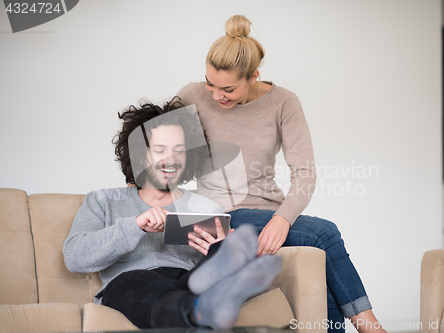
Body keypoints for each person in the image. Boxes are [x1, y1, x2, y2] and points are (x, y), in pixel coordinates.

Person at [176, 15, 386, 333]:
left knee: (318, 269)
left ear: (254, 75)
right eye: (210, 84)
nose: (216, 95)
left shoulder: (283, 102)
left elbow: (304, 171)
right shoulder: (192, 96)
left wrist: (282, 218)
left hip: (267, 214)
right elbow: (155, 147)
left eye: (228, 88)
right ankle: (372, 328)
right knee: (323, 234)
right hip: (216, 216)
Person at [62, 98, 282, 330]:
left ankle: (211, 296)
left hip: (189, 280)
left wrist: (218, 249)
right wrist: (135, 226)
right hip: (132, 284)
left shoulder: (204, 207)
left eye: (180, 151)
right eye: (160, 150)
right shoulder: (102, 200)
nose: (172, 159)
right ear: (139, 155)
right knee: (139, 283)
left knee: (212, 264)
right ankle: (200, 309)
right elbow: (74, 257)